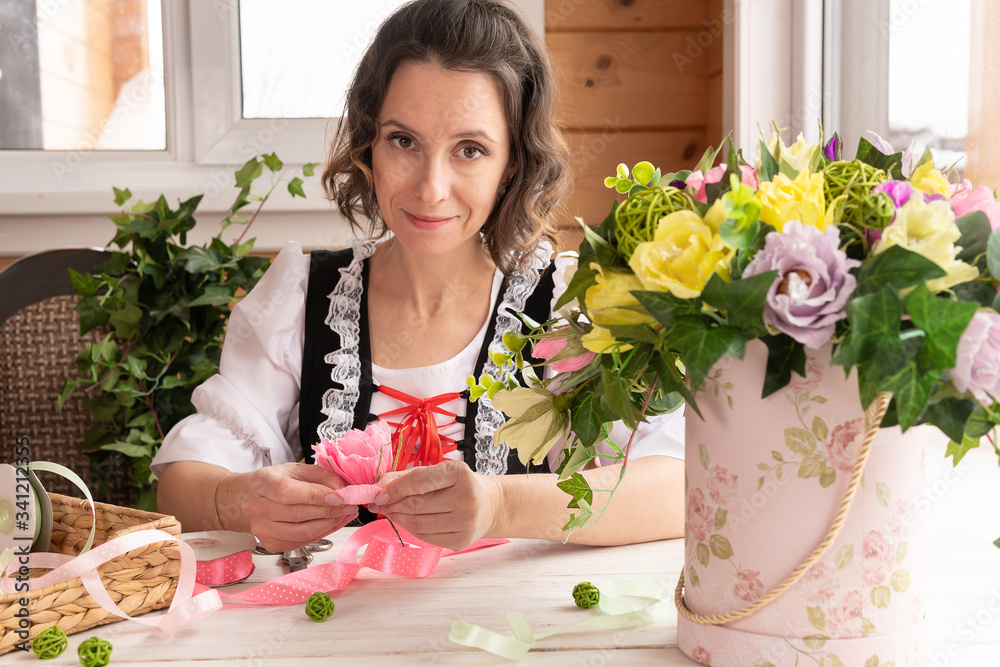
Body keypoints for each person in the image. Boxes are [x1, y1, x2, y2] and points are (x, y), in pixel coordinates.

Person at [154, 0, 684, 553]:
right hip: (327, 631)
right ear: (368, 145)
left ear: (513, 166)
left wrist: (501, 506)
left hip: (514, 632)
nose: (430, 188)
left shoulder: (569, 307)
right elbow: (180, 486)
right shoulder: (302, 297)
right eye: (403, 141)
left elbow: (674, 487)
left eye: (470, 150)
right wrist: (237, 499)